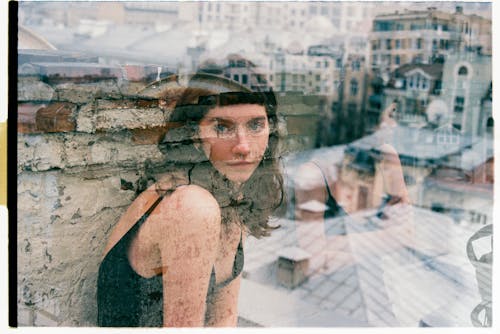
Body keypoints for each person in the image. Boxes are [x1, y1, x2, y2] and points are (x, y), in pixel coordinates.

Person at [97, 74, 284, 327]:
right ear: (193, 134)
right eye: (222, 127)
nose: (243, 147)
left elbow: (224, 319)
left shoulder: (229, 195)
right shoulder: (192, 205)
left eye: (255, 125)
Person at [293, 102, 413, 274]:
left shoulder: (379, 162)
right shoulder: (314, 176)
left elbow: (403, 224)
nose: (390, 127)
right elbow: (314, 258)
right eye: (387, 119)